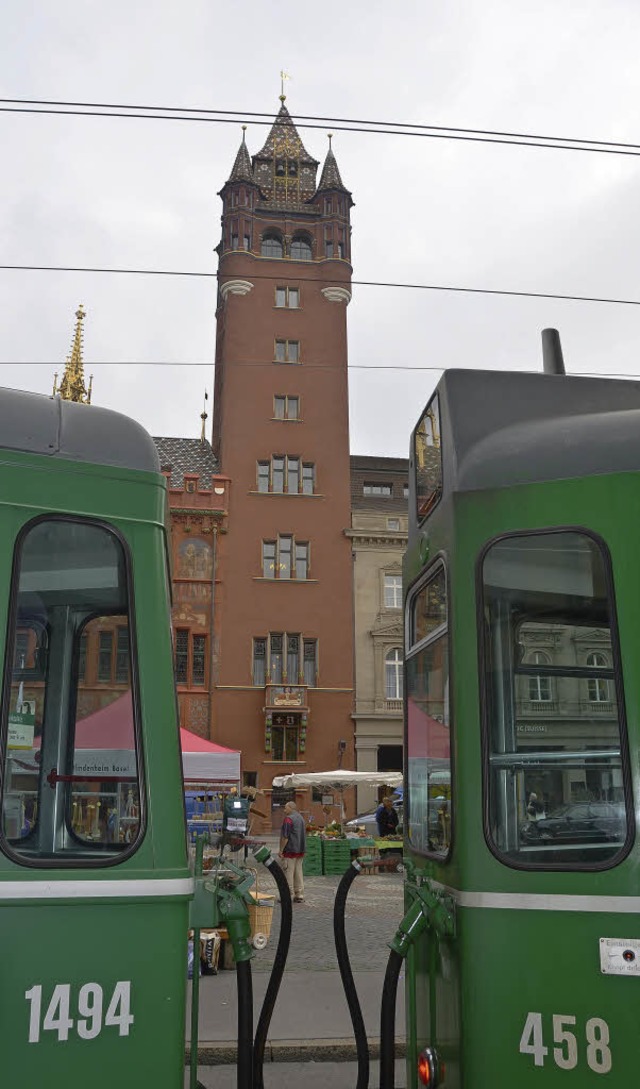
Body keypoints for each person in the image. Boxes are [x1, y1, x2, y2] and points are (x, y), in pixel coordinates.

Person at [279, 801, 306, 903]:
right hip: (300, 849)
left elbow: (285, 837)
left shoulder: (288, 819)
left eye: (286, 808)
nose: (284, 810)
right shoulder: (301, 818)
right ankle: (299, 894)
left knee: (288, 873)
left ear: (291, 808)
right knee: (298, 872)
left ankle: (287, 895)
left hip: (290, 850)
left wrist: (281, 850)